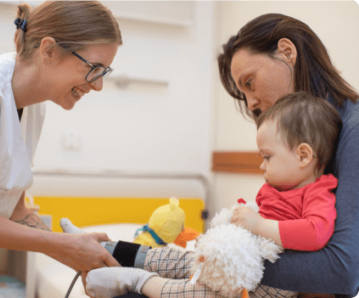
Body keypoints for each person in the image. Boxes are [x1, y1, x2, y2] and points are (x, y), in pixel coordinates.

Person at [82, 12, 359, 298]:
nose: (251, 103)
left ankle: (133, 270)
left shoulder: (353, 130)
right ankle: (118, 254)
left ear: (287, 52)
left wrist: (221, 262)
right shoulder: (298, 148)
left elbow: (343, 271)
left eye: (249, 82)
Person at [0, 0, 123, 293]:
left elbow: (16, 209)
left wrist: (81, 255)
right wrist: (65, 245)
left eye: (104, 72)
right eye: (93, 68)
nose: (98, 85)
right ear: (48, 50)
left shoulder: (33, 106)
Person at [83, 92, 341, 298]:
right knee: (181, 257)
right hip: (241, 262)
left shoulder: (318, 191)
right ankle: (104, 247)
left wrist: (259, 224)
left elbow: (316, 232)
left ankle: (139, 282)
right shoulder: (279, 186)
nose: (262, 165)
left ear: (303, 155)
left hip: (268, 282)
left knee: (202, 293)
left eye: (267, 157)